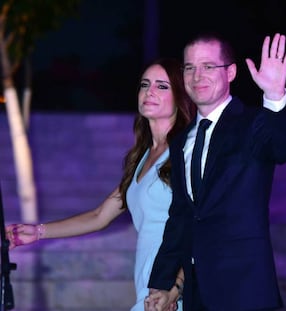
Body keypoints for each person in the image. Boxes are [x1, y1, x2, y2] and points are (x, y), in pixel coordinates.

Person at [5, 57, 195, 311]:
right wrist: (38, 232)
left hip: (173, 291)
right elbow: (99, 215)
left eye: (162, 86)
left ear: (180, 96)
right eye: (144, 84)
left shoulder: (187, 151)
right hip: (149, 289)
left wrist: (176, 288)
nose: (149, 92)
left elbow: (199, 226)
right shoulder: (142, 158)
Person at [145, 32, 286, 311]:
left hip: (245, 290)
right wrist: (164, 283)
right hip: (197, 293)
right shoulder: (182, 140)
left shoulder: (254, 123)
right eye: (189, 67)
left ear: (231, 72)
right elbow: (183, 216)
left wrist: (275, 95)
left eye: (208, 66)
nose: (197, 76)